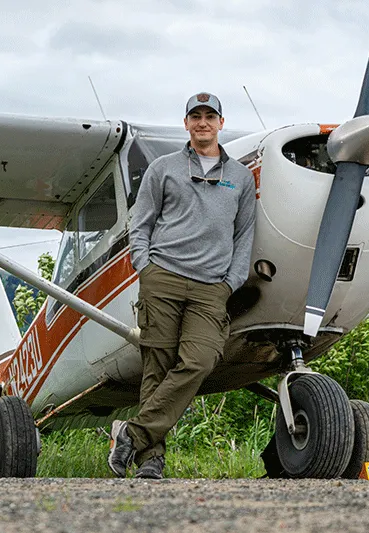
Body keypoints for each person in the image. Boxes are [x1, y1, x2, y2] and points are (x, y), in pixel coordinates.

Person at [108, 92, 256, 479]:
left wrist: (230, 283)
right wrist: (145, 266)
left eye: (210, 116)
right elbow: (140, 223)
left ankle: (133, 435)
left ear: (221, 123)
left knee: (200, 360)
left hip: (211, 288)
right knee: (156, 367)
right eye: (196, 116)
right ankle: (150, 461)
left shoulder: (239, 177)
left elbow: (244, 237)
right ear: (187, 123)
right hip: (164, 278)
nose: (203, 122)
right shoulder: (163, 168)